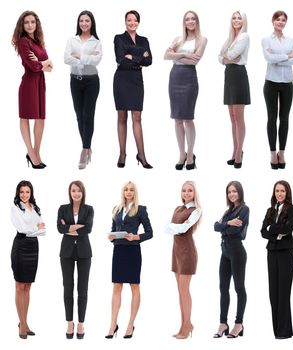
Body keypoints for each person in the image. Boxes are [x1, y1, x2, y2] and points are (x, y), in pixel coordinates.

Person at [106, 181, 153, 339]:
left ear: (135, 192)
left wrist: (136, 237)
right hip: (118, 249)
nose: (128, 192)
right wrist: (111, 237)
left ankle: (130, 324)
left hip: (133, 250)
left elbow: (150, 232)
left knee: (134, 285)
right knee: (117, 286)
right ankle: (113, 324)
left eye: (131, 190)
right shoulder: (116, 209)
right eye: (126, 189)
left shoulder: (141, 209)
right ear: (123, 192)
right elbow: (113, 229)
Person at [164, 11, 208, 170]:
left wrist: (175, 55)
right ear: (184, 22)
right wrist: (182, 54)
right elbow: (165, 55)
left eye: (193, 18)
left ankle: (190, 154)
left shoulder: (202, 40)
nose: (190, 21)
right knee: (177, 119)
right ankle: (181, 153)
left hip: (189, 79)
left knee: (188, 118)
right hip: (175, 77)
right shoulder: (178, 39)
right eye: (187, 19)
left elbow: (195, 60)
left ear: (197, 21)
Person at [12, 11, 53, 169]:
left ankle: (35, 152)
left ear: (37, 25)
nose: (30, 25)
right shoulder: (23, 42)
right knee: (25, 118)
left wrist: (43, 63)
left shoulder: (38, 42)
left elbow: (50, 68)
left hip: (40, 83)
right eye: (27, 22)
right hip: (29, 83)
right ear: (22, 25)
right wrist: (44, 63)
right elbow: (33, 66)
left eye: (33, 22)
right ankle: (31, 152)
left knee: (40, 118)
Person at [113, 10, 152, 169]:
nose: (132, 23)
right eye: (129, 20)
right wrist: (139, 57)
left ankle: (142, 155)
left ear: (138, 22)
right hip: (121, 79)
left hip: (136, 80)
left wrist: (131, 55)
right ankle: (122, 154)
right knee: (122, 116)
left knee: (137, 117)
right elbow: (120, 59)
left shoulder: (144, 39)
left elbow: (149, 60)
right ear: (125, 22)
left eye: (135, 20)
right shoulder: (119, 38)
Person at [64, 10, 102, 169]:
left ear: (91, 23)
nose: (84, 23)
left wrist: (78, 58)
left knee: (88, 115)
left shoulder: (96, 42)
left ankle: (84, 150)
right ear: (78, 23)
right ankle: (87, 147)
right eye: (81, 21)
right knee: (79, 116)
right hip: (75, 81)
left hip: (91, 82)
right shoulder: (72, 40)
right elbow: (66, 58)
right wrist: (85, 59)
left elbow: (97, 60)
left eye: (87, 21)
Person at [260, 180, 293, 339]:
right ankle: (277, 331)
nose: (280, 193)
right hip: (272, 252)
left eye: (283, 191)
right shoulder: (270, 210)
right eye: (277, 191)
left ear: (287, 193)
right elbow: (262, 231)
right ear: (274, 193)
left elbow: (288, 228)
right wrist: (276, 234)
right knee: (273, 292)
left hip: (286, 252)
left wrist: (272, 229)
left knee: (283, 292)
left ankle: (285, 332)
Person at [261, 11, 293, 169]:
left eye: (283, 20)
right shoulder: (266, 40)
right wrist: (287, 56)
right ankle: (272, 152)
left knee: (284, 118)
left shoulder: (291, 40)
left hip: (287, 83)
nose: (281, 22)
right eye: (278, 19)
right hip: (271, 82)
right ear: (273, 21)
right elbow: (268, 59)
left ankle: (281, 152)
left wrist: (280, 57)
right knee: (272, 118)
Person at [57, 181, 94, 339]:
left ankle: (81, 323)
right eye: (73, 190)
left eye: (79, 190)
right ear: (69, 192)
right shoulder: (63, 208)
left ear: (83, 192)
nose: (76, 193)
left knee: (83, 289)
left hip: (84, 252)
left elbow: (89, 229)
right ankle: (69, 322)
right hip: (66, 252)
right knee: (68, 288)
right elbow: (59, 228)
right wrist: (78, 226)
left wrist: (69, 227)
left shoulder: (89, 209)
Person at [165, 181, 202, 339]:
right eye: (184, 190)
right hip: (176, 252)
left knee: (184, 290)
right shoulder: (178, 209)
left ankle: (187, 325)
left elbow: (182, 229)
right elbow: (166, 227)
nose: (186, 193)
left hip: (187, 253)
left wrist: (174, 226)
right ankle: (183, 325)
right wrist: (175, 226)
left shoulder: (196, 210)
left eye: (190, 191)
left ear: (195, 193)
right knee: (179, 291)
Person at [10, 180, 46, 339]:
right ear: (18, 193)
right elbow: (22, 229)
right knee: (19, 286)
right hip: (21, 246)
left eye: (27, 192)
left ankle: (24, 321)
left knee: (28, 287)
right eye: (22, 192)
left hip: (33, 248)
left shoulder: (35, 208)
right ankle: (22, 324)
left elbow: (43, 228)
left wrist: (38, 229)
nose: (24, 195)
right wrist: (36, 229)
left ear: (31, 193)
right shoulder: (15, 208)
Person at [213, 181, 249, 338]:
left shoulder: (244, 209)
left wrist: (224, 226)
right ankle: (223, 323)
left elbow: (236, 229)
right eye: (229, 192)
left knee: (239, 287)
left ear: (240, 192)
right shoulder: (229, 211)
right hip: (225, 251)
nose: (232, 194)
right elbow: (215, 226)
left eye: (234, 191)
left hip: (237, 251)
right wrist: (227, 223)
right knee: (223, 288)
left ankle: (239, 323)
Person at [218, 11, 250, 169]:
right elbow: (220, 57)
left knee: (239, 117)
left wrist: (226, 56)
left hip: (238, 76)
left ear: (244, 21)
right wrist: (226, 57)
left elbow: (232, 54)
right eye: (234, 18)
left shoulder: (244, 36)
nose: (236, 20)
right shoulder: (231, 38)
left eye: (239, 18)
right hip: (229, 75)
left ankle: (239, 152)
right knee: (232, 117)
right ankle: (235, 150)